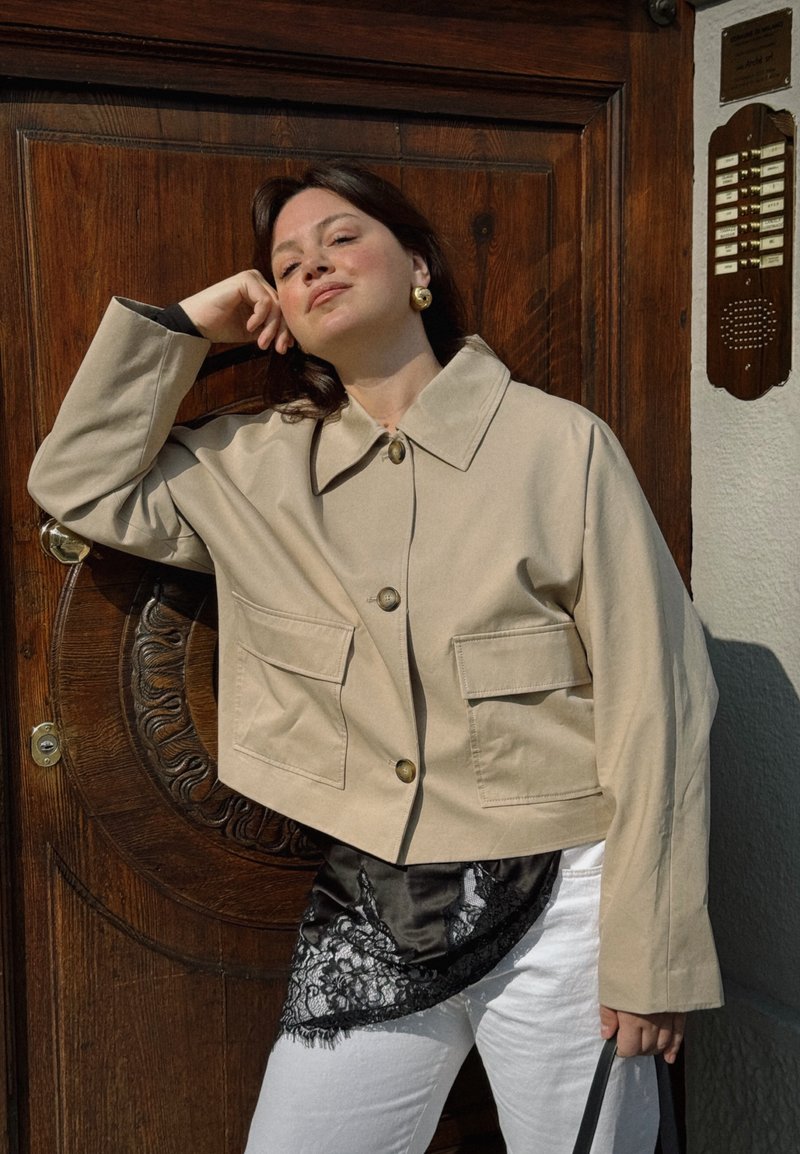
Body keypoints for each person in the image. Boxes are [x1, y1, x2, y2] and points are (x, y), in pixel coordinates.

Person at [28, 162, 722, 1154]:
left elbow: (659, 698)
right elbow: (77, 482)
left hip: (567, 895)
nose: (314, 264)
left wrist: (652, 956)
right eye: (287, 262)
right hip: (374, 894)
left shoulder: (557, 446)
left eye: (341, 237)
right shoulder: (251, 463)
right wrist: (185, 326)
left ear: (419, 267)